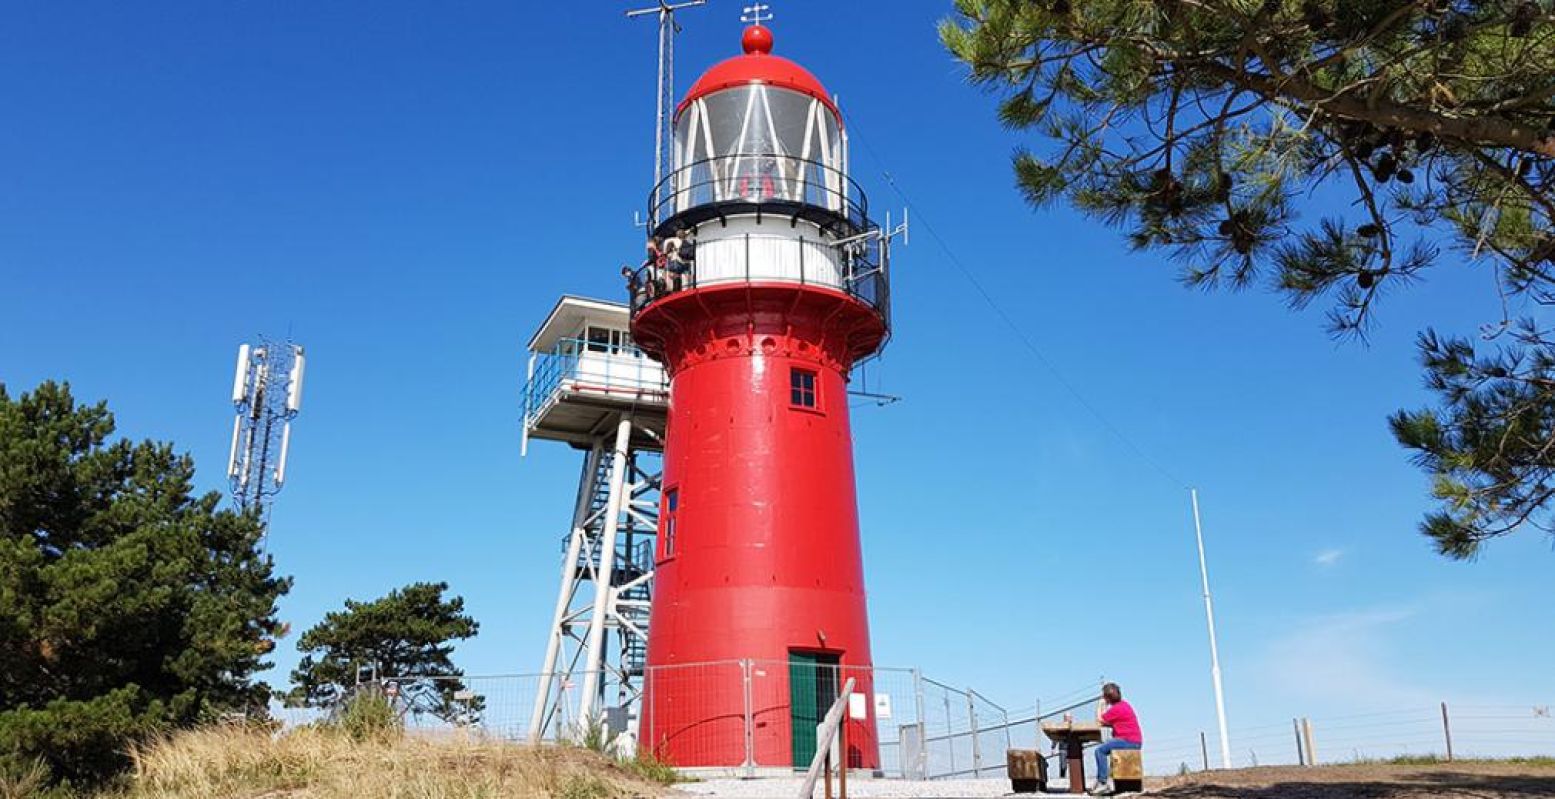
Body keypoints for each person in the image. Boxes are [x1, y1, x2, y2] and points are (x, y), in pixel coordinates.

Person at [1090, 682, 1142, 795]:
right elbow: (1108, 723)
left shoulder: (1116, 709)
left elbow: (1099, 720)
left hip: (1129, 741)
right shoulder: (1124, 705)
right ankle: (1104, 780)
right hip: (1133, 740)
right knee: (1106, 749)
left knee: (1100, 751)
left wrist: (1100, 704)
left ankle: (1102, 782)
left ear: (1107, 697)